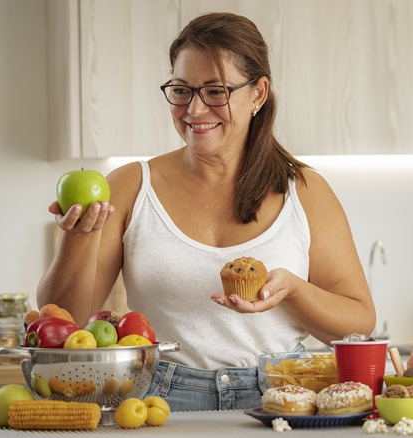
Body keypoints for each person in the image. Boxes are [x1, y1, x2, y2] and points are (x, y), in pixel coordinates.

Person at [37, 11, 375, 411]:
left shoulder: (303, 190)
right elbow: (64, 321)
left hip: (281, 400)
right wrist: (78, 238)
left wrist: (295, 291)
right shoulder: (131, 185)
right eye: (181, 91)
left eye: (216, 91)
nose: (194, 110)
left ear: (258, 94)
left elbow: (359, 321)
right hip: (158, 402)